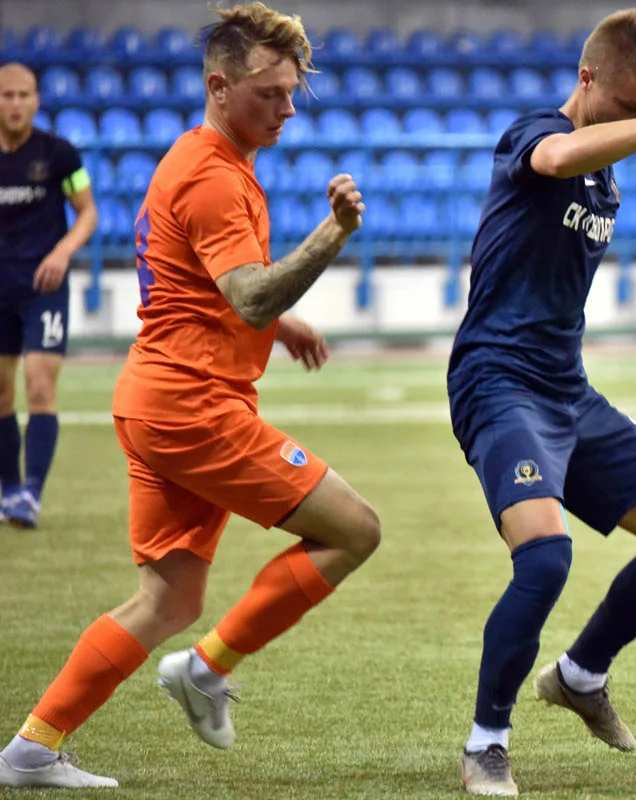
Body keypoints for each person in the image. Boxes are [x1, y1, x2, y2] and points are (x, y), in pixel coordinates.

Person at [0, 3, 380, 789]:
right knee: (355, 530)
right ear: (218, 86)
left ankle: (32, 747)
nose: (286, 109)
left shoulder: (199, 158)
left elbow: (202, 287)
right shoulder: (212, 176)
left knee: (167, 599)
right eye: (269, 93)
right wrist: (332, 233)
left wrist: (279, 324)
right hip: (194, 409)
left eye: (291, 93)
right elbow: (247, 295)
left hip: (155, 399)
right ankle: (206, 671)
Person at [447, 9, 636, 796]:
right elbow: (557, 156)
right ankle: (485, 744)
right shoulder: (534, 135)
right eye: (630, 106)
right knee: (545, 558)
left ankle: (580, 675)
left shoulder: (607, 171)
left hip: (565, 388)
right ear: (586, 78)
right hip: (498, 382)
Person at [0, 61, 98, 529]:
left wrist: (61, 252)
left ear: (37, 100)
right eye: (7, 95)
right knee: (1, 392)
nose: (16, 104)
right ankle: (8, 490)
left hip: (44, 288)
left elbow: (88, 212)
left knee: (39, 385)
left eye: (24, 95)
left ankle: (31, 494)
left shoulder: (60, 155)